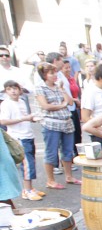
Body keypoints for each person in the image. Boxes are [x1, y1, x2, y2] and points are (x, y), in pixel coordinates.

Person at [34, 62, 77, 190]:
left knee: (68, 150)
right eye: (51, 73)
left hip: (66, 121)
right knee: (51, 152)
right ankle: (50, 180)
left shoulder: (58, 86)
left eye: (55, 73)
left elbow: (69, 102)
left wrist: (62, 89)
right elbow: (45, 106)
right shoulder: (40, 88)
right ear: (44, 75)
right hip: (51, 123)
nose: (55, 76)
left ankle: (69, 176)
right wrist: (62, 105)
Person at [0, 81, 44, 200]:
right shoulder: (6, 104)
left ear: (20, 90)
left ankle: (31, 187)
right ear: (6, 91)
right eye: (9, 89)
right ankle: (27, 190)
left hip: (28, 135)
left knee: (31, 162)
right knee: (27, 164)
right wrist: (24, 118)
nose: (13, 91)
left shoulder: (22, 102)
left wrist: (32, 119)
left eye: (15, 88)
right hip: (17, 137)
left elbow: (25, 118)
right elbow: (3, 121)